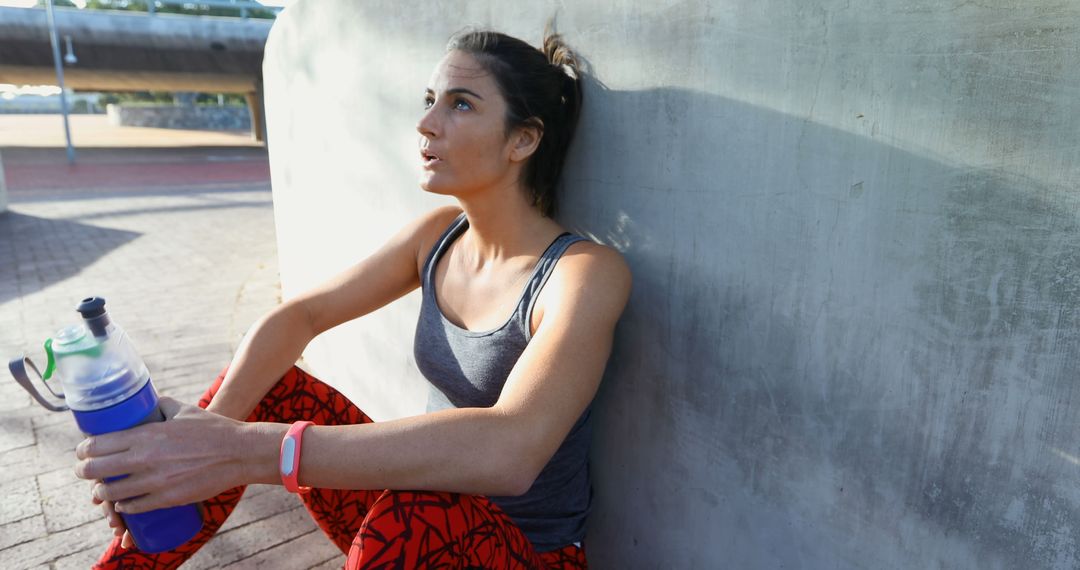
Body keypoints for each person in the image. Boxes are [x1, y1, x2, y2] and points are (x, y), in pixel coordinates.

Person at [74, 27, 630, 569]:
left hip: (523, 552)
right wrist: (196, 446)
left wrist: (243, 449)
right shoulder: (437, 235)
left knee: (415, 513)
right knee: (271, 390)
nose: (425, 123)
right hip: (410, 529)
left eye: (460, 105)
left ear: (523, 139)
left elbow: (512, 450)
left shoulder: (583, 273)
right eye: (431, 99)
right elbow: (301, 315)